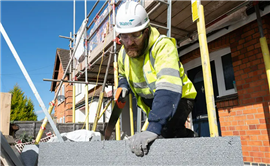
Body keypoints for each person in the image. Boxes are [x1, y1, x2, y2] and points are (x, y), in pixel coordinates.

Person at [115, 1, 197, 157]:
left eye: (135, 35)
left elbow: (168, 87)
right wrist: (123, 85)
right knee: (163, 135)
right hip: (153, 101)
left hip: (178, 96)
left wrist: (153, 126)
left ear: (146, 31)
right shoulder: (122, 54)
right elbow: (123, 74)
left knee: (165, 130)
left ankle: (198, 148)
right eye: (124, 36)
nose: (129, 42)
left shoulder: (162, 46)